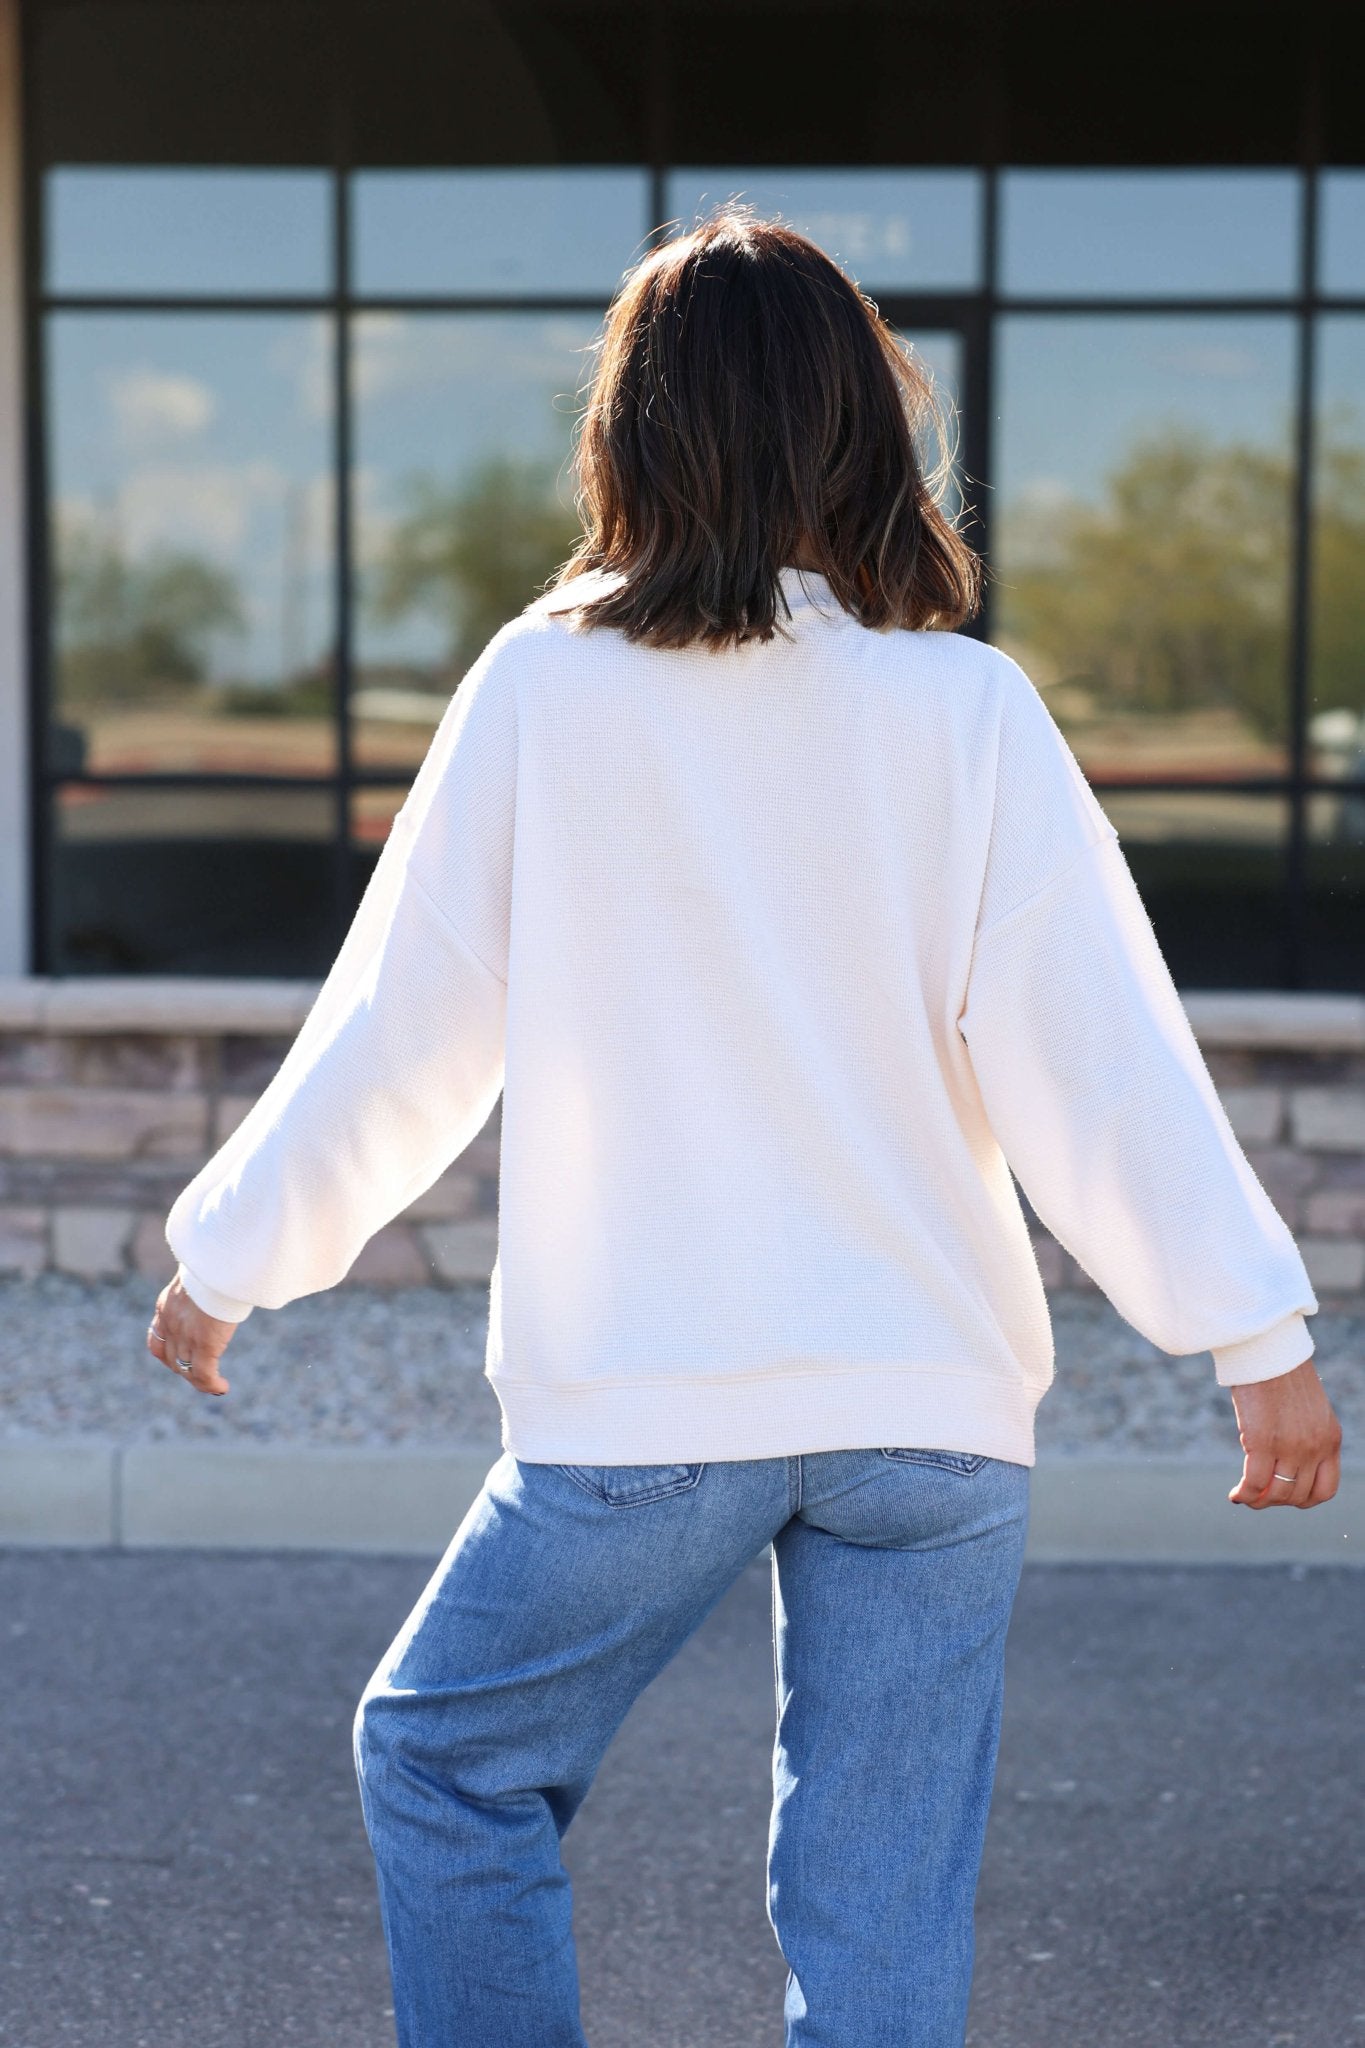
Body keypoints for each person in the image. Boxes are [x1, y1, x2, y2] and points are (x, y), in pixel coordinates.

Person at [146, 207, 1343, 2048]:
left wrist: (232, 1258)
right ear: (867, 431)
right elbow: (1092, 1050)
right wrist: (1250, 1335)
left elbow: (408, 1031)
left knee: (445, 1764)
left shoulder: (543, 686)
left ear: (633, 436)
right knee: (875, 1912)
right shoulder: (966, 709)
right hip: (930, 1425)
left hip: (650, 1402)